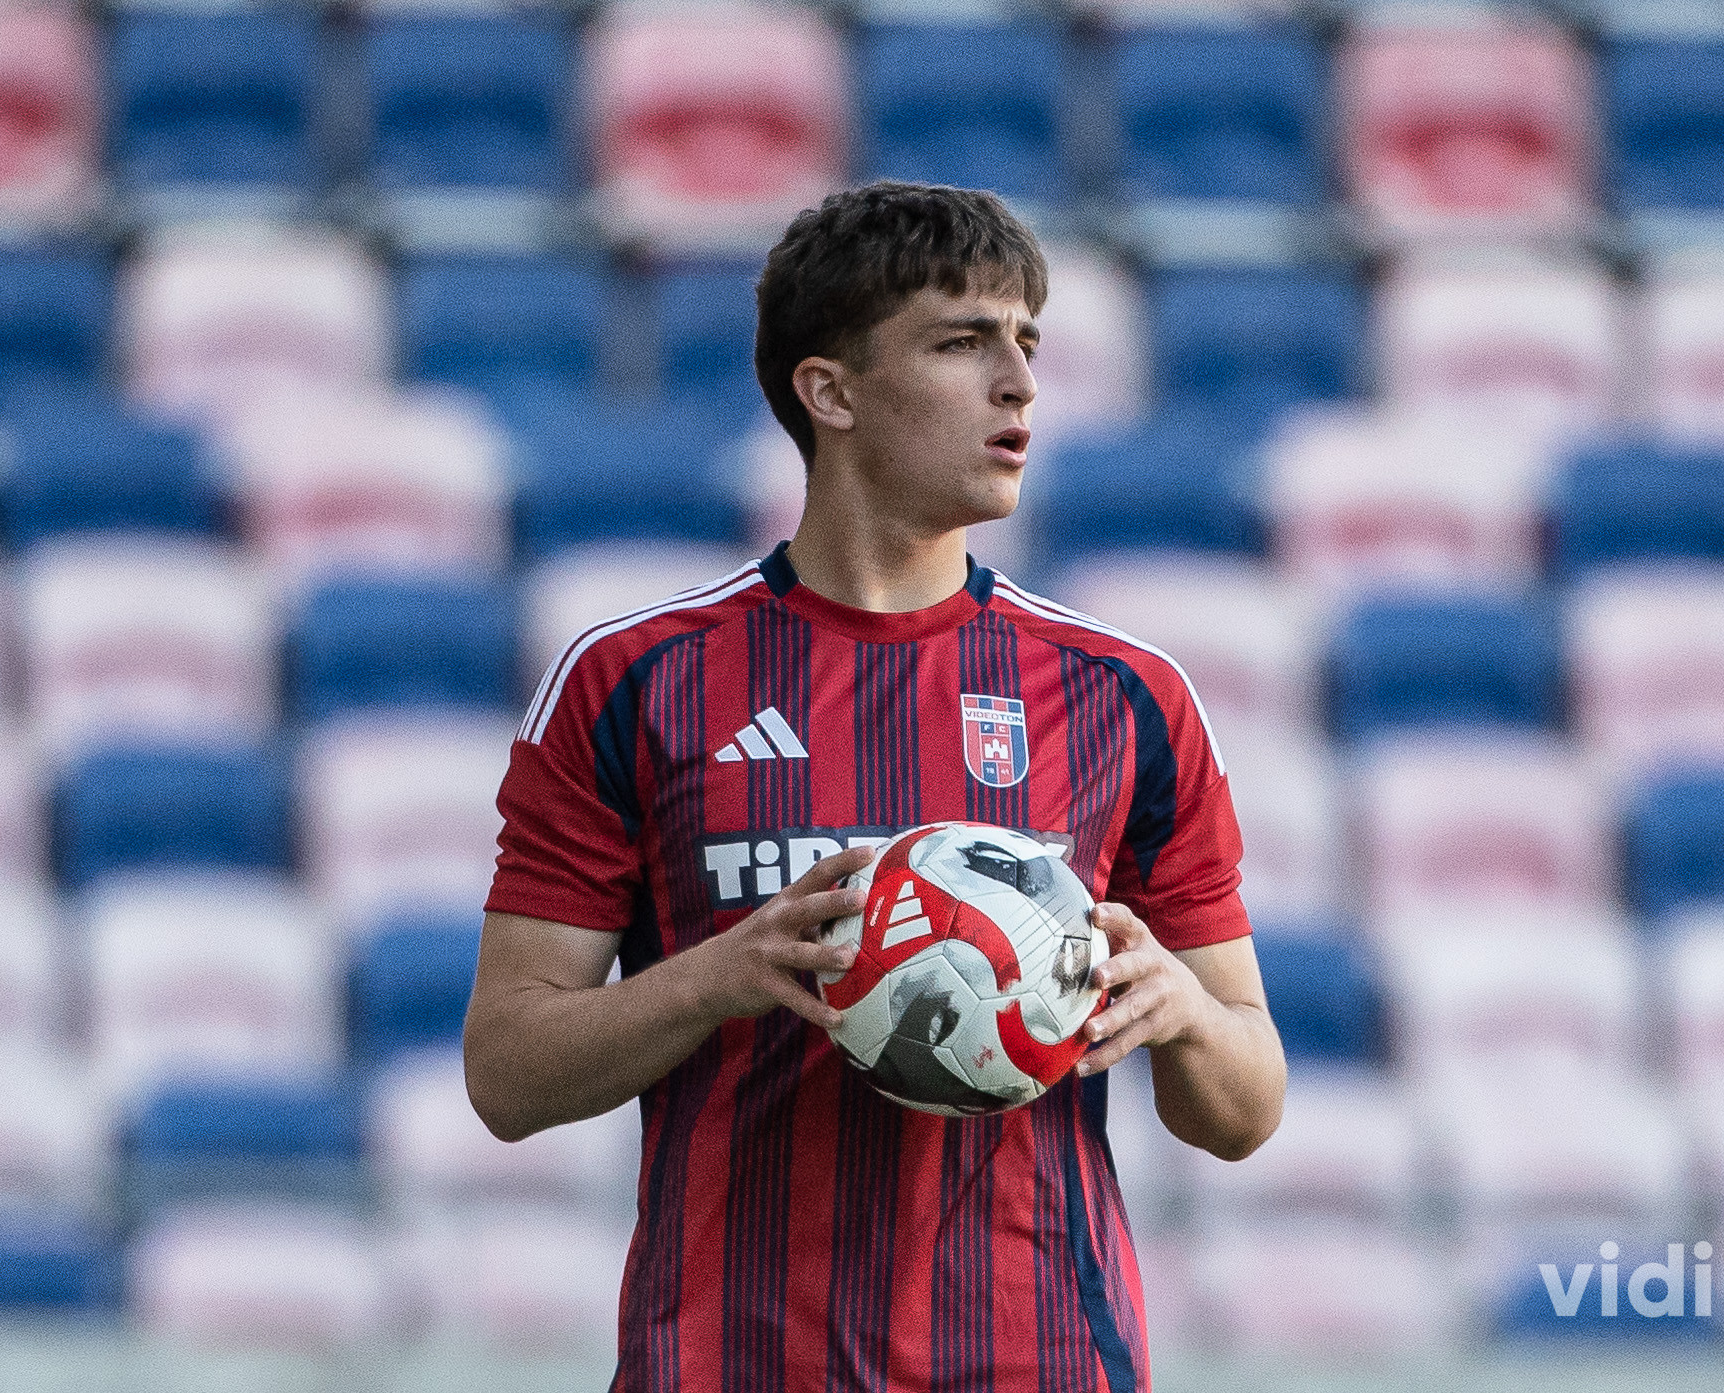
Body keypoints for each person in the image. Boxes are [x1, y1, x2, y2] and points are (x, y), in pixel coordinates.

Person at [465, 181, 1288, 1393]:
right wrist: (716, 975)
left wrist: (1186, 1013)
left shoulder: (1127, 695)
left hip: (1042, 1361)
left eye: (1026, 342)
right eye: (962, 342)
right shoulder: (635, 681)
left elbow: (1244, 1107)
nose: (1019, 383)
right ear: (831, 391)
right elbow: (506, 1074)